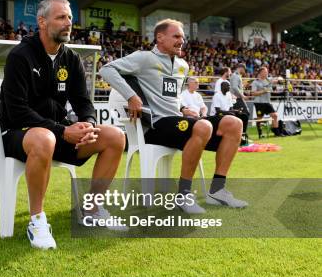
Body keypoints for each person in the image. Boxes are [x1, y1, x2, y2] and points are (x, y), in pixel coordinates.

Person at [0, 0, 126, 250]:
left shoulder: (72, 59)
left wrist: (88, 124)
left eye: (69, 18)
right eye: (61, 18)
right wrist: (62, 130)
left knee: (115, 137)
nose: (68, 23)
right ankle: (37, 220)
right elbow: (17, 111)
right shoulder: (20, 56)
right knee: (46, 137)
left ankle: (92, 210)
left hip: (58, 133)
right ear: (42, 22)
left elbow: (83, 103)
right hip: (17, 133)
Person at [100, 19, 247, 214]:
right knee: (203, 126)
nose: (182, 41)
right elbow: (106, 69)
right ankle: (183, 195)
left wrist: (184, 107)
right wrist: (131, 96)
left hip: (179, 122)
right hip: (156, 125)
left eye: (183, 38)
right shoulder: (144, 58)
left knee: (234, 123)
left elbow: (173, 96)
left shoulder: (182, 65)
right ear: (160, 37)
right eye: (176, 36)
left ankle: (217, 190)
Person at [251, 66, 281, 136]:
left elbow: (278, 79)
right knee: (259, 119)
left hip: (267, 102)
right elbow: (253, 93)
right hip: (259, 103)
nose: (267, 73)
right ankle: (260, 134)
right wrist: (264, 91)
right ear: (260, 73)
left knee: (275, 115)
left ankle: (277, 133)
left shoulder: (268, 79)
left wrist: (280, 79)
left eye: (267, 72)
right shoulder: (255, 82)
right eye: (265, 72)